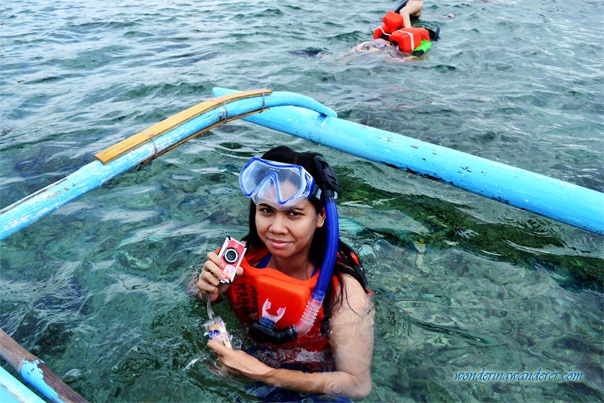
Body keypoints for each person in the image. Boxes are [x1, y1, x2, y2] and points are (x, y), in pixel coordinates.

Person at [196, 146, 374, 400]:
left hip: (316, 377)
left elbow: (357, 385)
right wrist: (205, 291)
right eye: (267, 210)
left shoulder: (344, 290)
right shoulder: (241, 258)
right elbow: (196, 295)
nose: (276, 228)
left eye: (293, 213)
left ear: (321, 216)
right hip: (252, 359)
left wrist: (266, 375)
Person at [354, 0, 434, 56]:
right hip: (395, 37)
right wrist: (411, 34)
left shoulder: (405, 2)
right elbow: (404, 12)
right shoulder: (417, 2)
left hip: (386, 33)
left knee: (360, 50)